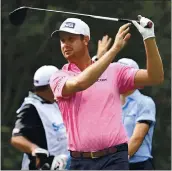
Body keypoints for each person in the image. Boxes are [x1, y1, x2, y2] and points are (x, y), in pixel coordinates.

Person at [50, 16, 164, 170]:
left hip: (115, 158)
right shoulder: (59, 76)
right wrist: (114, 49)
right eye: (63, 40)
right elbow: (81, 83)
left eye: (71, 39)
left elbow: (155, 77)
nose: (65, 44)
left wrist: (148, 37)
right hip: (80, 161)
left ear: (85, 40)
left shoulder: (114, 71)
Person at [11, 65, 70, 170]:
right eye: (59, 84)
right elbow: (16, 138)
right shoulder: (30, 107)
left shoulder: (55, 103)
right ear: (50, 86)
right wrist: (34, 149)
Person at [118, 58, 156, 170]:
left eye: (124, 75)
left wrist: (114, 162)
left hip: (139, 166)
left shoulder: (145, 102)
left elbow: (137, 138)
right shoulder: (110, 103)